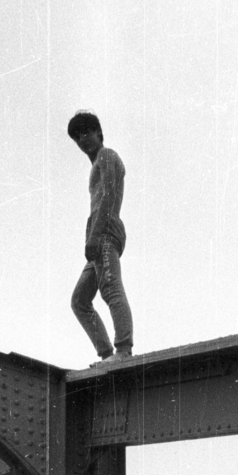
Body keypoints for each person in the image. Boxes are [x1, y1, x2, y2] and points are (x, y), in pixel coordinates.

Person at [67, 109, 134, 364]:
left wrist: (94, 237)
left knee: (110, 287)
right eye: (77, 137)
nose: (82, 139)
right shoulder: (97, 164)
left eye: (86, 132)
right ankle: (107, 353)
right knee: (80, 300)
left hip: (104, 232)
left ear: (99, 133)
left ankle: (123, 350)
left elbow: (108, 196)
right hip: (97, 234)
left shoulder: (107, 156)